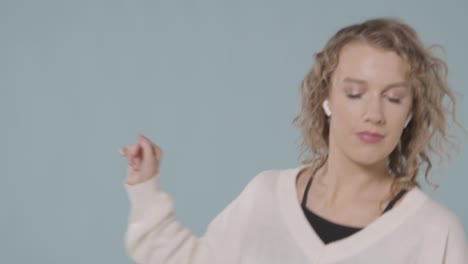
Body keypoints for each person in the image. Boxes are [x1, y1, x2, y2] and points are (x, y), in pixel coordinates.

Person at [119, 18, 468, 263]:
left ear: (410, 114)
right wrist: (146, 189)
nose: (374, 114)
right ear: (326, 99)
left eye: (393, 98)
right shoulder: (266, 196)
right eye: (355, 93)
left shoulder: (434, 232)